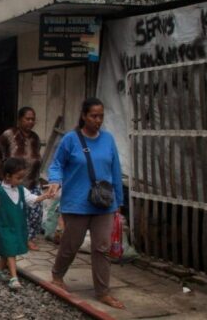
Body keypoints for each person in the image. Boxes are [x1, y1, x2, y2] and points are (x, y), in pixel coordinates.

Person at [44, 97, 125, 309]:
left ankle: (102, 291)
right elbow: (57, 164)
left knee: (102, 247)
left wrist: (119, 201)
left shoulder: (108, 140)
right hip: (76, 202)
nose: (98, 120)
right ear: (84, 116)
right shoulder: (71, 139)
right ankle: (57, 275)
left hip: (104, 203)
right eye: (93, 116)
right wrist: (54, 181)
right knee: (71, 244)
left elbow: (115, 170)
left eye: (101, 116)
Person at [0, 107, 44, 250]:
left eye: (33, 119)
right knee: (3, 211)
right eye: (27, 119)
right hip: (10, 182)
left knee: (34, 212)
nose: (30, 122)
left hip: (31, 181)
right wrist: (0, 166)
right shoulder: (9, 135)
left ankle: (29, 238)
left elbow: (36, 156)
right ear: (19, 120)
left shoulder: (35, 138)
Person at [0, 158, 53, 290]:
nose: (21, 180)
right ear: (7, 176)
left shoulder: (21, 190)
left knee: (8, 249)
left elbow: (33, 199)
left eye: (22, 177)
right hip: (4, 227)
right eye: (18, 177)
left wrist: (45, 196)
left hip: (17, 226)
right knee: (11, 250)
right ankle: (13, 278)